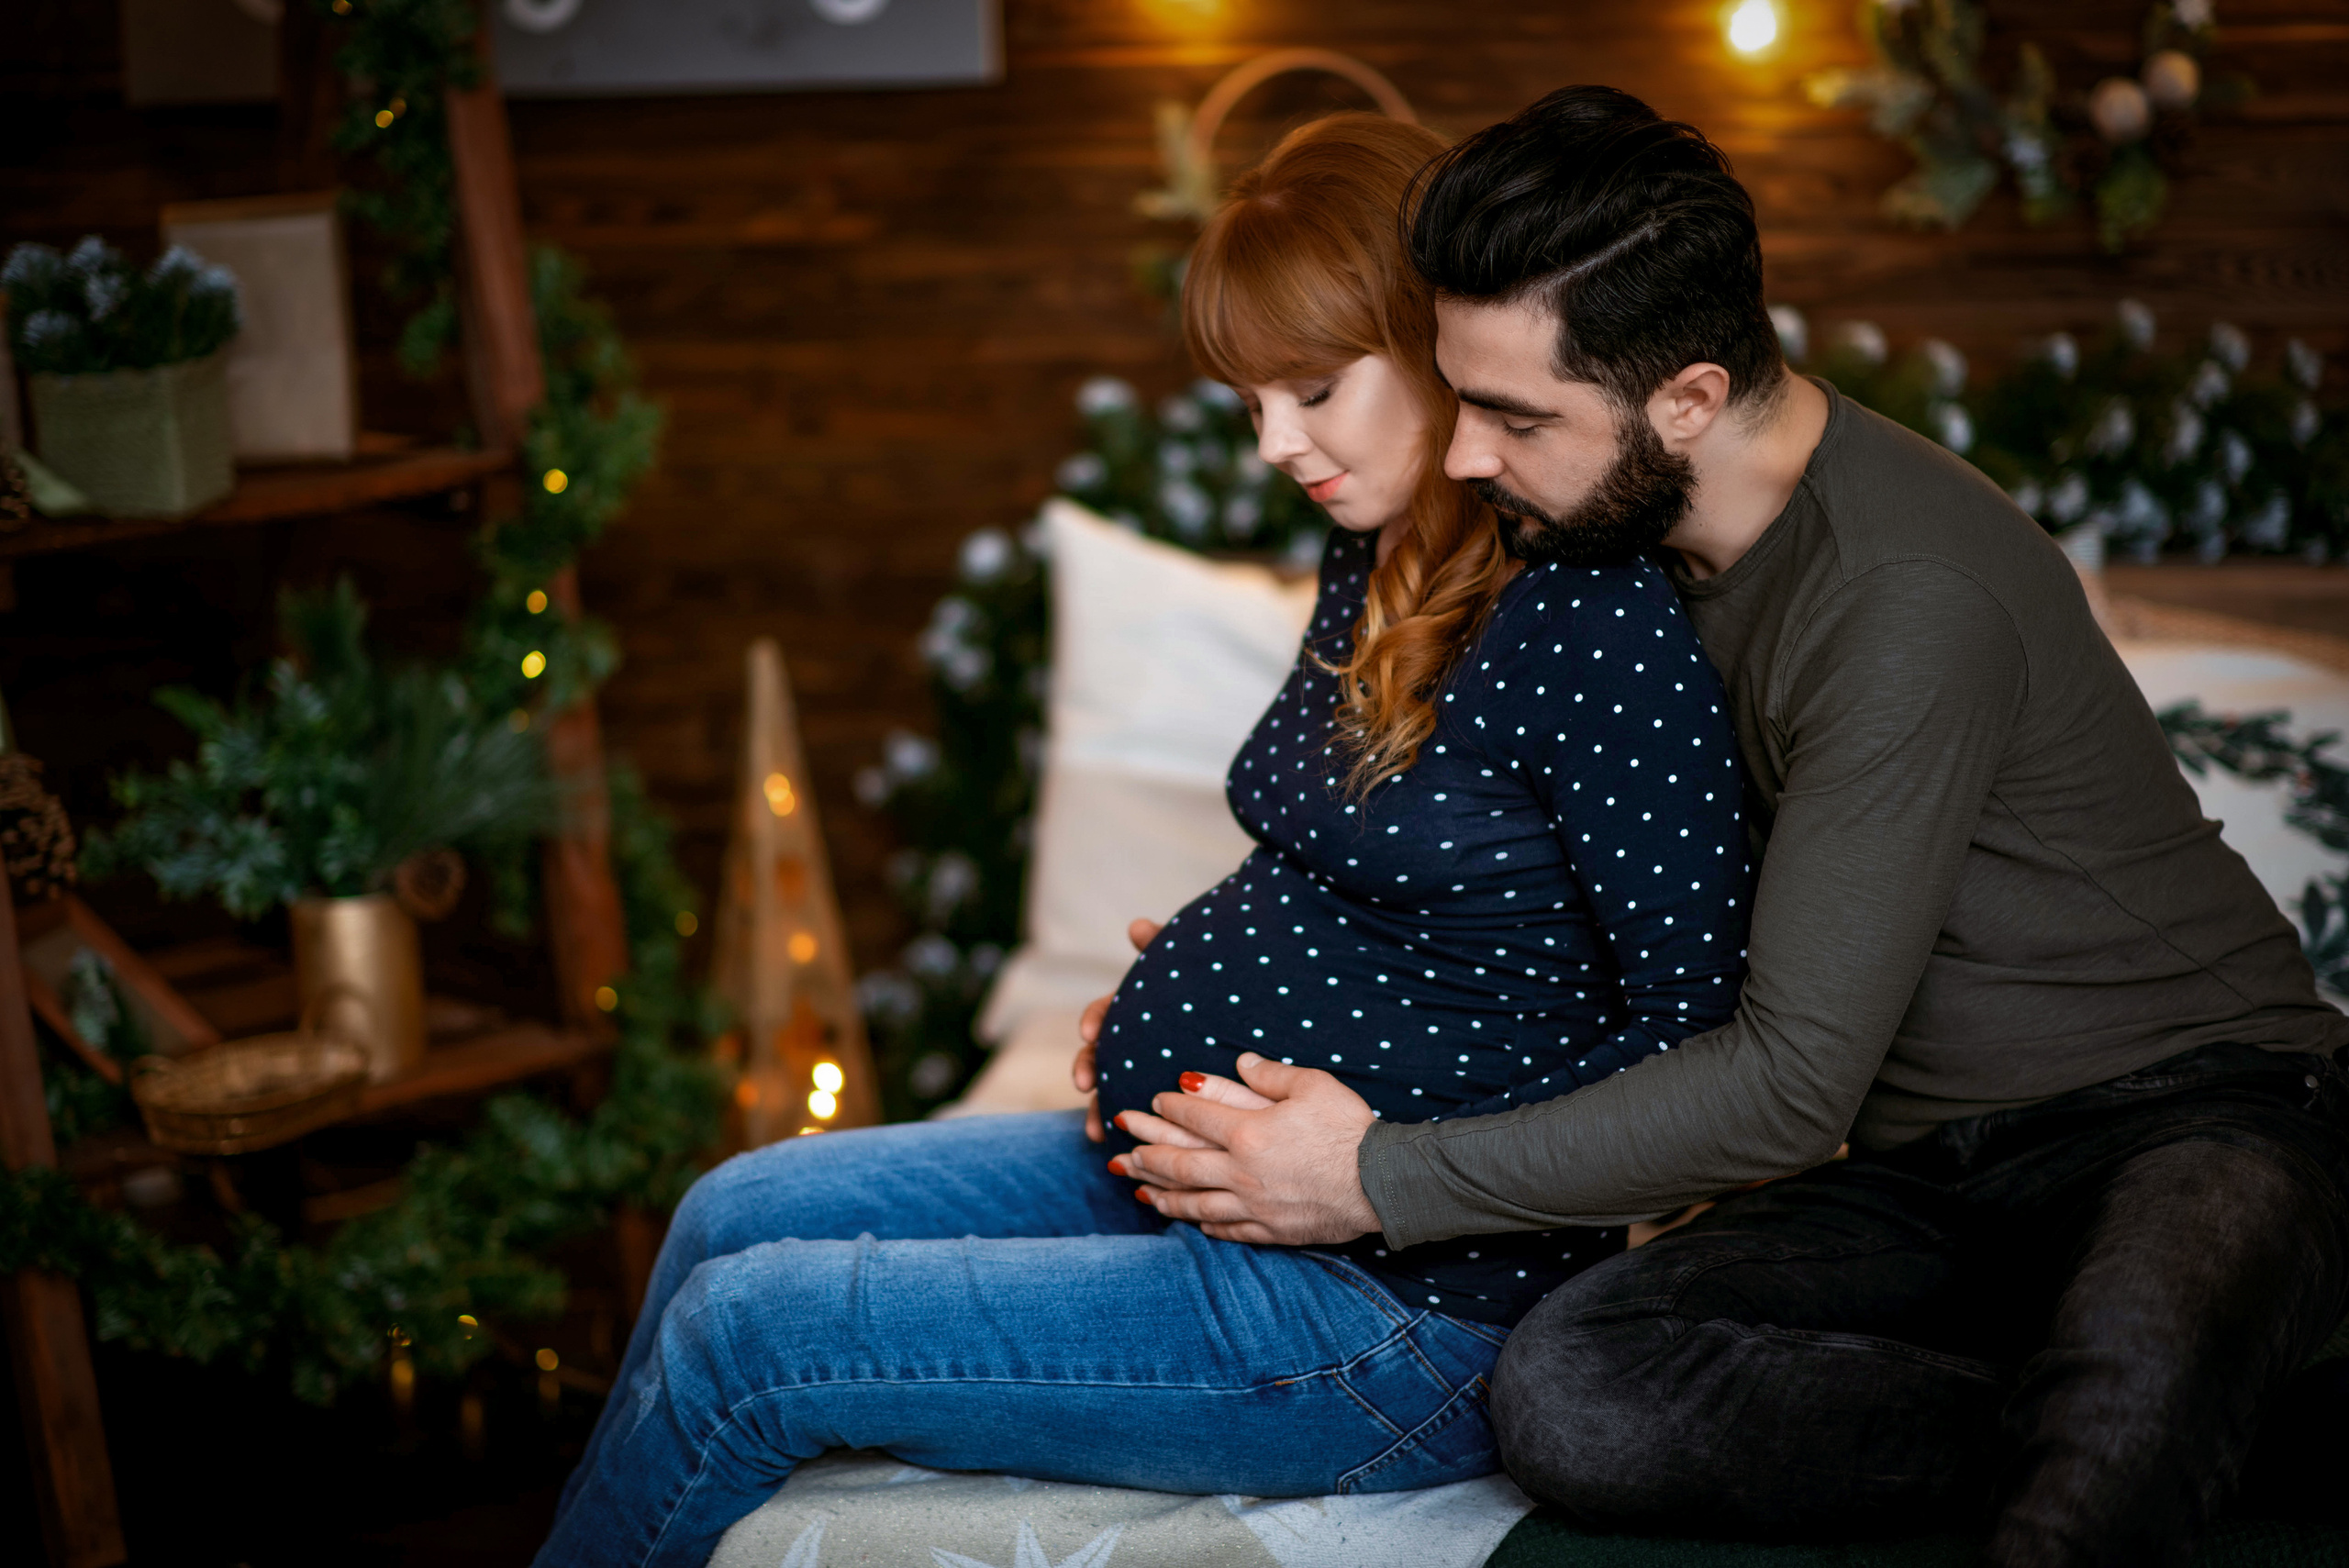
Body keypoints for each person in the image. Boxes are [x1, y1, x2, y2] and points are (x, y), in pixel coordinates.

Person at [1103, 86, 2349, 1567]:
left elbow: (1783, 1085)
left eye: (1512, 417)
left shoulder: (1902, 600)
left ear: (1685, 400)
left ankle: (2159, 1403)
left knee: (2110, 1455)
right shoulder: (1613, 529)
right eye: (1460, 399)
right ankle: (2154, 1403)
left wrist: (1374, 1176)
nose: (1464, 459)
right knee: (1570, 1387)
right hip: (1919, 1173)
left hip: (2193, 1113)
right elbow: (1527, 870)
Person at [534, 112, 1753, 1568]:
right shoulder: (1373, 549)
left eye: (1312, 386)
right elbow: (1352, 860)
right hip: (1190, 1174)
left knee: (749, 1335)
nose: (1275, 443)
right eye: (1249, 400)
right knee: (733, 1204)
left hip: (1393, 1312)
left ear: (1442, 339)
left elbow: (1705, 1042)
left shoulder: (1598, 623)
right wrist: (1197, 982)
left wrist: (1387, 1155)